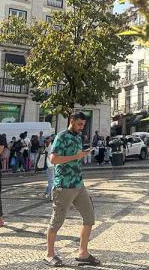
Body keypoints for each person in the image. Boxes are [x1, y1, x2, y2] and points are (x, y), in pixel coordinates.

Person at [45, 112, 100, 267]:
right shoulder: (61, 137)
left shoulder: (78, 137)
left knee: (89, 218)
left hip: (78, 184)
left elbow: (76, 156)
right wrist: (76, 156)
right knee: (57, 222)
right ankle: (49, 254)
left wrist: (82, 154)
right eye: (79, 124)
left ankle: (83, 253)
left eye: (83, 124)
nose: (81, 127)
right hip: (63, 186)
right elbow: (54, 159)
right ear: (71, 121)